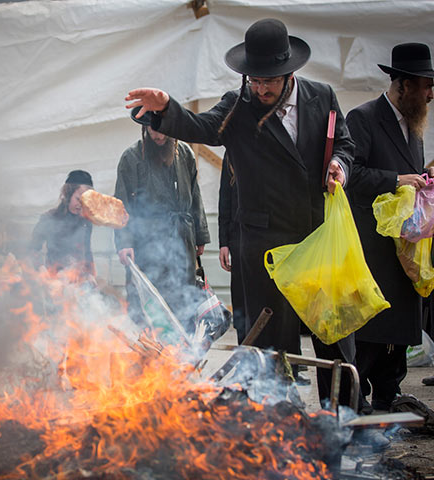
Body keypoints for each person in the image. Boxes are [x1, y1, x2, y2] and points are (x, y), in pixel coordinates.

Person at [125, 18, 356, 405]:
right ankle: (276, 420)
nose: (261, 88)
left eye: (270, 80)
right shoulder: (238, 104)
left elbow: (345, 144)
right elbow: (202, 127)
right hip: (265, 244)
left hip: (318, 238)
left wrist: (340, 166)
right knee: (271, 346)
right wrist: (166, 110)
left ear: (290, 73)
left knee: (334, 335)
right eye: (254, 79)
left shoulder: (323, 96)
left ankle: (347, 417)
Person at [346, 43, 434, 408]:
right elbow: (351, 174)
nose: (430, 94)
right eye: (426, 85)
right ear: (404, 85)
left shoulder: (414, 126)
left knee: (399, 329)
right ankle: (357, 395)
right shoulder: (363, 118)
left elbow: (410, 178)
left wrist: (424, 176)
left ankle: (389, 393)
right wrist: (396, 179)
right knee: (373, 328)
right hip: (372, 245)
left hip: (405, 245)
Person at [114, 111, 210, 334]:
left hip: (181, 238)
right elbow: (121, 204)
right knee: (151, 305)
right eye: (153, 129)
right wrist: (124, 242)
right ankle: (154, 360)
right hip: (147, 242)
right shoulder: (131, 158)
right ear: (145, 128)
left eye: (163, 130)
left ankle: (183, 358)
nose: (159, 136)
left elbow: (195, 194)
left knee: (183, 301)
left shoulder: (184, 152)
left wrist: (200, 233)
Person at [30, 170, 95, 280]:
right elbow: (33, 249)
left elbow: (87, 252)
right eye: (78, 199)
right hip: (54, 281)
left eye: (85, 200)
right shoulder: (49, 218)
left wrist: (91, 274)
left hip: (79, 281)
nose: (81, 205)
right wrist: (41, 269)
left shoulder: (86, 222)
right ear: (67, 195)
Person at [218, 155, 246, 344]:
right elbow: (225, 199)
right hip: (238, 238)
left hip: (266, 238)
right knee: (241, 300)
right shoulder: (231, 153)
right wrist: (224, 242)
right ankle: (244, 351)